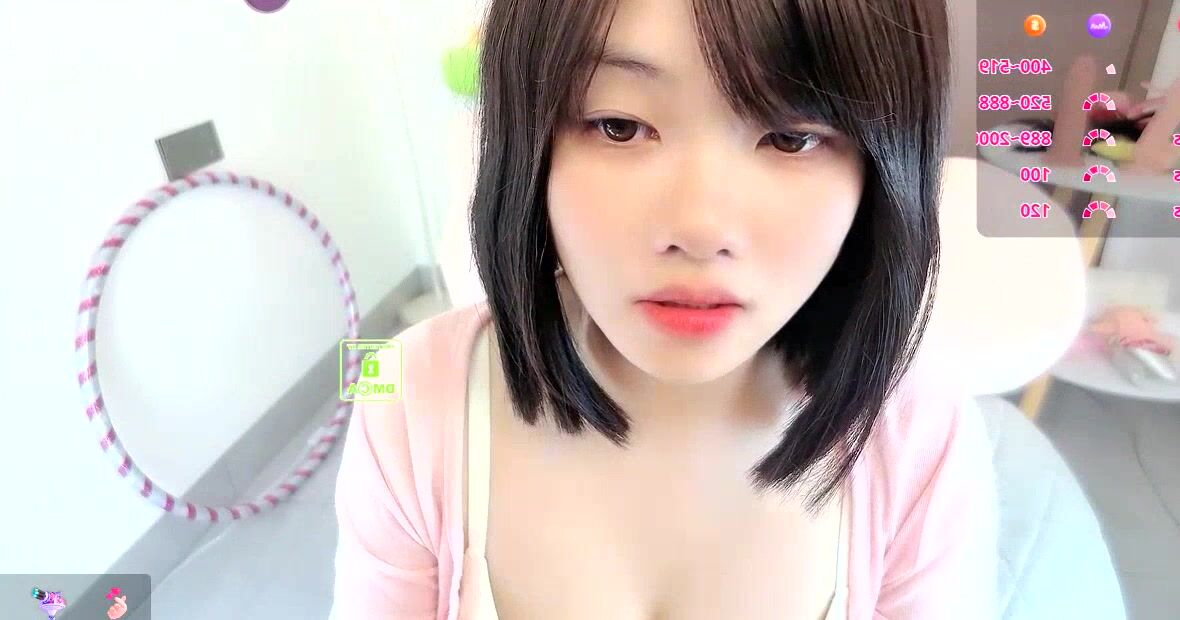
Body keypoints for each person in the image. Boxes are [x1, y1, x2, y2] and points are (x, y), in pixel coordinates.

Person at [330, 0, 998, 617]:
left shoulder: (921, 437)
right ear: (529, 143)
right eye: (619, 126)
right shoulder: (408, 396)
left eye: (791, 137)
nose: (700, 229)